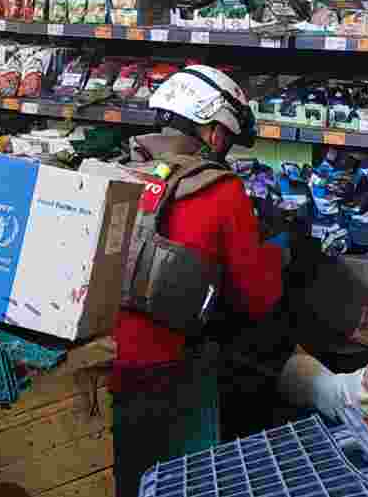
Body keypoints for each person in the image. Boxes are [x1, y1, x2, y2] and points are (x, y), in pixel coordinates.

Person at [110, 65, 283, 497]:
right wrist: (277, 252)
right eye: (223, 135)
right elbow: (256, 301)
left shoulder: (107, 174)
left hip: (98, 363)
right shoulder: (221, 192)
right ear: (208, 131)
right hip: (166, 374)